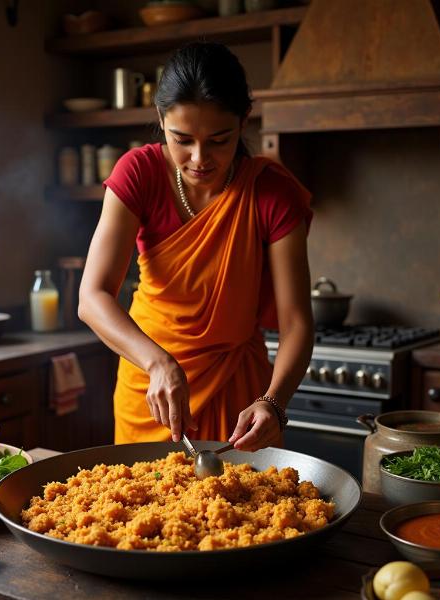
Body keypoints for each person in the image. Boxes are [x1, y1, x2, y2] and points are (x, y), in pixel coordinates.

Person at [78, 42, 314, 452]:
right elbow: (91, 297)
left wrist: (274, 403)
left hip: (238, 391)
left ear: (244, 121)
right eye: (181, 139)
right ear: (160, 120)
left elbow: (296, 322)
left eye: (219, 140)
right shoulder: (139, 172)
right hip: (150, 386)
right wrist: (158, 362)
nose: (199, 158)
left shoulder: (271, 190)